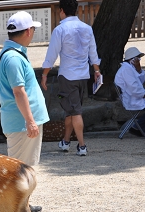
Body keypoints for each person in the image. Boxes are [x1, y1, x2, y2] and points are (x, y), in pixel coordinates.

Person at [0, 11, 50, 212]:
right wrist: (30, 121)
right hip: (21, 122)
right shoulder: (13, 58)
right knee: (19, 169)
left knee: (24, 166)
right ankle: (16, 209)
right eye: (33, 29)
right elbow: (19, 92)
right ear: (28, 31)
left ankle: (22, 205)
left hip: (21, 121)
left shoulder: (12, 55)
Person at [41, 0, 101, 156]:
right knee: (71, 110)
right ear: (76, 10)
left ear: (62, 11)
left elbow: (51, 55)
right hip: (83, 76)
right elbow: (93, 52)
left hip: (67, 77)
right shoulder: (87, 29)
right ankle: (65, 141)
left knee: (75, 112)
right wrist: (96, 70)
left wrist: (45, 74)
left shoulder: (60, 30)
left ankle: (82, 146)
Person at [114, 46, 145, 137]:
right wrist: (144, 95)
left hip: (135, 96)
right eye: (138, 59)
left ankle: (137, 128)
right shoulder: (126, 70)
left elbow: (140, 81)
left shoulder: (130, 69)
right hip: (132, 98)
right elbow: (134, 88)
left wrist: (139, 68)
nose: (139, 60)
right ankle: (137, 128)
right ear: (132, 59)